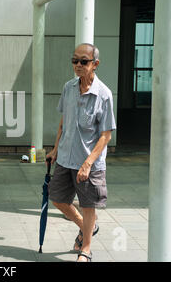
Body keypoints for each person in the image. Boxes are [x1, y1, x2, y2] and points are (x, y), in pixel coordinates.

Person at [46, 43, 116, 262]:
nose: (77, 65)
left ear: (95, 64)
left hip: (89, 163)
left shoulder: (103, 95)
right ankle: (88, 227)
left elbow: (106, 135)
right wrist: (55, 149)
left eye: (83, 61)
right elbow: (63, 122)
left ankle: (85, 249)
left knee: (88, 205)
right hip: (65, 158)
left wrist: (88, 164)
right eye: (74, 60)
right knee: (57, 198)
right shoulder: (68, 87)